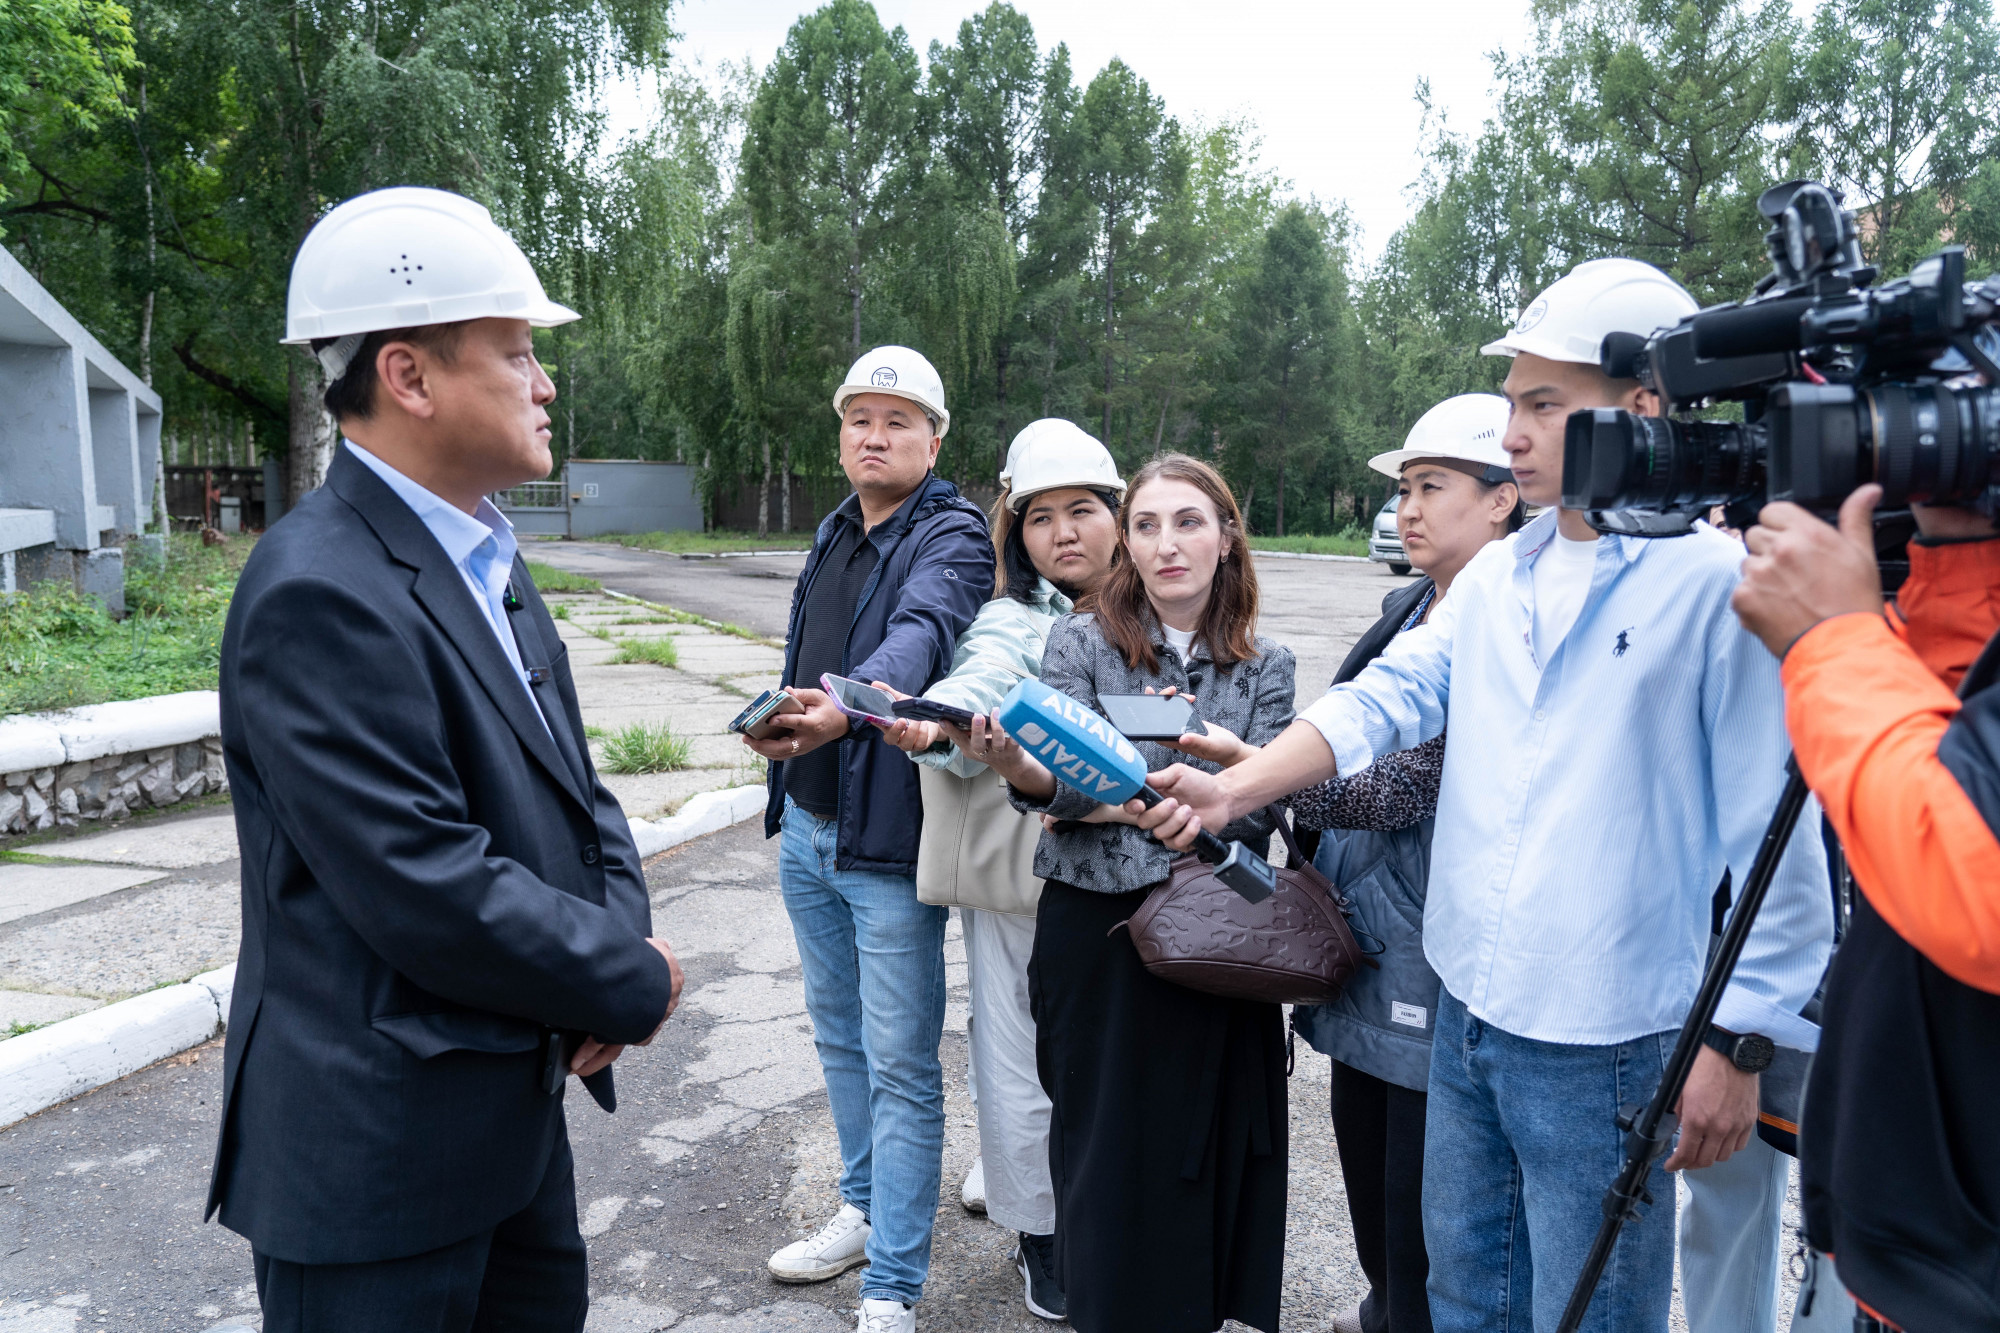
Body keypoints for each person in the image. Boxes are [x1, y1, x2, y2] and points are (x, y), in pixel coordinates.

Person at [1136, 259, 1835, 1332]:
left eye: (1543, 405)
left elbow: (1777, 846)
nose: (1511, 434)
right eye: (1512, 403)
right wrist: (1235, 791)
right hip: (1466, 1013)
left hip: (1605, 1040)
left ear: (1644, 404)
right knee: (1464, 1298)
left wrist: (1737, 1044)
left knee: (1590, 1315)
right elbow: (1384, 699)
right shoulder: (1503, 575)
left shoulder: (1714, 587)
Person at [208, 187, 684, 1331]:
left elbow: (576, 794)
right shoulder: (319, 589)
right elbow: (423, 879)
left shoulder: (482, 555)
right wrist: (630, 978)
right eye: (516, 353)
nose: (545, 384)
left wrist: (611, 949)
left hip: (508, 1139)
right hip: (377, 1174)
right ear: (409, 376)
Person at [969, 453, 1297, 1333]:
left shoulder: (1268, 664)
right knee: (1105, 1142)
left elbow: (1261, 803)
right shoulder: (1079, 640)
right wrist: (1027, 773)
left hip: (1216, 935)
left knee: (1203, 1142)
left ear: (1227, 537)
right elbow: (1054, 781)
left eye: (1188, 522)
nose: (1166, 544)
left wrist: (1127, 798)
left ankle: (1195, 1311)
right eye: (1147, 525)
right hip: (1100, 931)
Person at [738, 346, 994, 1333]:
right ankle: (861, 1208)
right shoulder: (837, 527)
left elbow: (918, 636)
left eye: (896, 421)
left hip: (884, 844)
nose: (873, 436)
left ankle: (892, 1285)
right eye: (858, 420)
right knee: (840, 1038)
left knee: (900, 1064)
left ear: (935, 439)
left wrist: (847, 708)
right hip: (806, 829)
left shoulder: (953, 534)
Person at [1732, 482, 2000, 1330]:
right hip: (1932, 1235)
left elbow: (1973, 873)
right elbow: (1959, 749)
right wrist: (1958, 547)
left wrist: (1832, 642)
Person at [878, 418, 1127, 1324]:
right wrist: (938, 720)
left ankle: (1114, 1215)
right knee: (1021, 1060)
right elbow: (980, 679)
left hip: (1139, 876)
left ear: (1118, 512)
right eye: (1039, 517)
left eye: (1082, 509)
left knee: (1116, 1062)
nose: (1063, 532)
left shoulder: (1153, 608)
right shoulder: (1015, 618)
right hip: (1031, 881)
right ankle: (1040, 1232)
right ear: (1015, 533)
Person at [1292, 395, 1521, 1333]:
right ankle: (1387, 1303)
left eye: (1432, 487)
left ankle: (1408, 1312)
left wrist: (1274, 776)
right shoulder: (1410, 606)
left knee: (1422, 1180)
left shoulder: (1505, 619)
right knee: (1364, 1145)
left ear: (1502, 499)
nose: (1407, 509)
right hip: (1372, 924)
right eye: (1403, 490)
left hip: (1432, 941)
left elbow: (1405, 784)